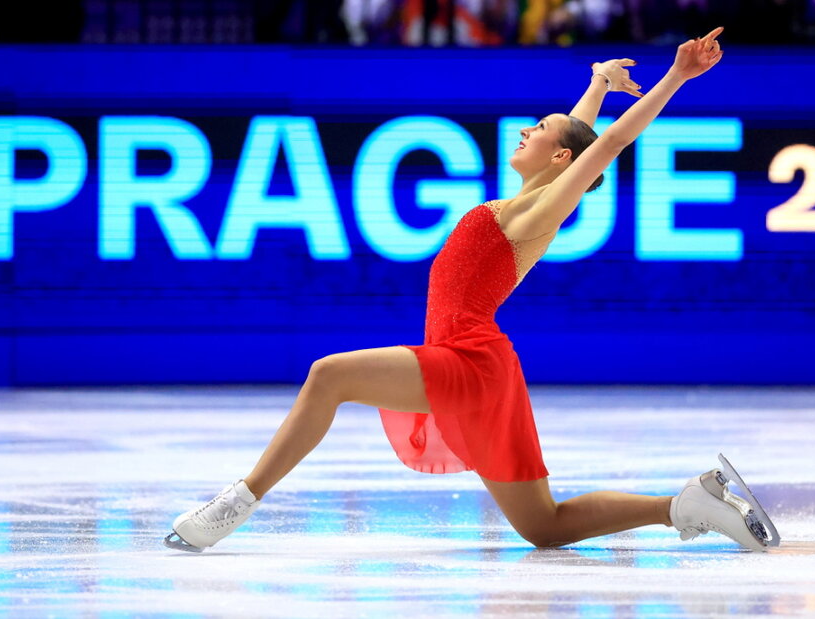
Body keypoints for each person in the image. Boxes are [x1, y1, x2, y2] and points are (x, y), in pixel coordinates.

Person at [166, 27, 777, 554]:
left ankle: (237, 502)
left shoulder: (534, 215)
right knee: (544, 526)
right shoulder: (526, 200)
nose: (524, 132)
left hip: (468, 358)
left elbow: (605, 144)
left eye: (536, 129)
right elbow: (581, 137)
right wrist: (596, 85)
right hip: (483, 370)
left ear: (558, 157)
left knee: (328, 375)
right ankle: (688, 505)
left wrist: (676, 75)